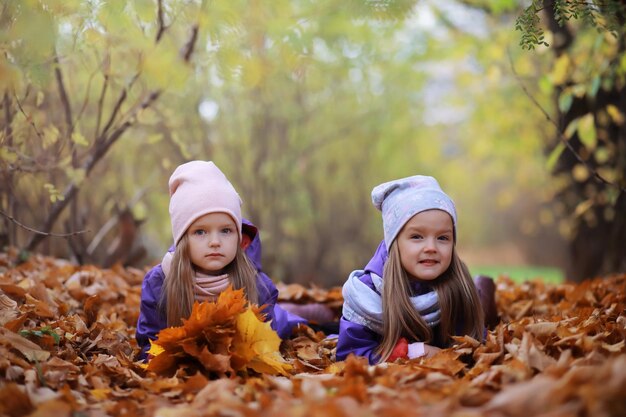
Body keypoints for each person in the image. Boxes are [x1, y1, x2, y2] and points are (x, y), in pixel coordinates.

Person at [135, 160, 304, 359]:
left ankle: (312, 314)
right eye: (200, 232)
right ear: (182, 239)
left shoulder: (257, 284)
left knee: (294, 320)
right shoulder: (160, 283)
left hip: (275, 325)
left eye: (226, 231)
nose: (215, 242)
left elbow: (266, 343)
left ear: (238, 236)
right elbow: (150, 344)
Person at [336, 175, 496, 364]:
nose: (431, 247)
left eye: (442, 238)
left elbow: (474, 346)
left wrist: (455, 356)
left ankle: (485, 287)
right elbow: (351, 356)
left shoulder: (458, 285)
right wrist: (411, 352)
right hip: (391, 383)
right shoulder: (366, 294)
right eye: (417, 237)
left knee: (481, 296)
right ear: (394, 242)